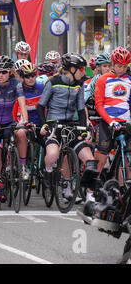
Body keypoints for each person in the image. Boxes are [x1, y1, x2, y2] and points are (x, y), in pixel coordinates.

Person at [37, 53, 99, 208]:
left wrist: (84, 131)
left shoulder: (79, 85)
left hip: (72, 125)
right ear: (72, 69)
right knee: (52, 155)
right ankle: (48, 170)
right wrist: (44, 125)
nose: (84, 72)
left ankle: (91, 198)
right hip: (54, 125)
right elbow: (40, 106)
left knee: (90, 161)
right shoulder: (53, 82)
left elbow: (80, 109)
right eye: (82, 69)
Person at [0, 55, 29, 206]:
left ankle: (21, 165)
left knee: (21, 134)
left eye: (4, 72)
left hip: (9, 122)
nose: (0, 75)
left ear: (10, 72)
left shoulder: (16, 82)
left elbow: (22, 103)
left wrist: (26, 121)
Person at [94, 47, 131, 179]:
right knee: (101, 158)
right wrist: (110, 121)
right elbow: (98, 104)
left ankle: (123, 189)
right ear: (113, 64)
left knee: (127, 158)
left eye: (125, 66)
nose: (122, 69)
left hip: (125, 123)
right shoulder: (102, 79)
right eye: (119, 66)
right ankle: (90, 191)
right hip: (107, 123)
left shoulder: (129, 80)